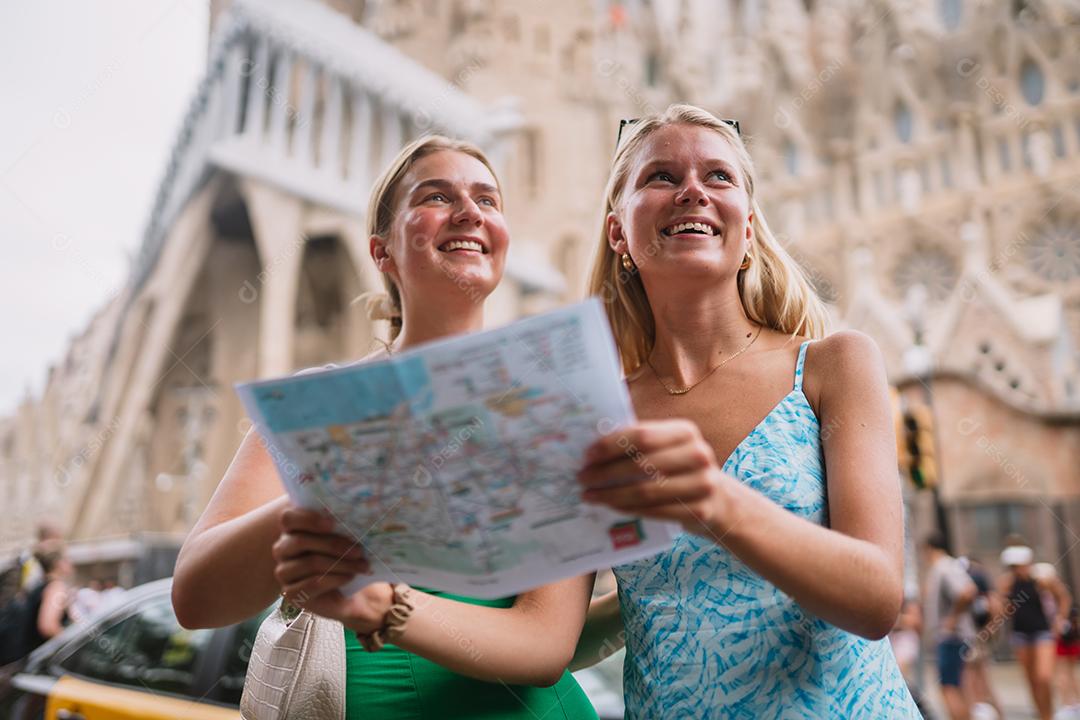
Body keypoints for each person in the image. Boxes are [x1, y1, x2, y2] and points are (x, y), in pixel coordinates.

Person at [172, 135, 597, 719]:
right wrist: (328, 493)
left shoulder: (552, 409)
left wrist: (385, 608)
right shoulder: (315, 408)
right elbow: (195, 598)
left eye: (487, 200)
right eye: (437, 196)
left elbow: (545, 644)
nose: (470, 212)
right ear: (383, 251)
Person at [573, 103, 920, 717]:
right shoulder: (594, 415)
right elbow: (558, 636)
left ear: (748, 227)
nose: (691, 193)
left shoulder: (833, 366)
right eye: (660, 177)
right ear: (618, 233)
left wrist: (714, 499)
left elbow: (876, 598)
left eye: (718, 177)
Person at [997, 543, 1071, 720]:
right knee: (1032, 680)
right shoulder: (1007, 583)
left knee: (1044, 677)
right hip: (1020, 634)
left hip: (1042, 632)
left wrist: (1060, 619)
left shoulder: (1041, 579)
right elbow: (1003, 609)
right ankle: (1041, 714)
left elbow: (1063, 597)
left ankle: (1048, 714)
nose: (1017, 569)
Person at [922, 531, 977, 720]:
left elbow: (968, 592)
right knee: (959, 687)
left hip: (951, 637)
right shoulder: (945, 567)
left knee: (949, 687)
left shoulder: (944, 567)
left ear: (928, 549)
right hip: (954, 637)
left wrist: (952, 619)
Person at [962, 555, 1004, 719]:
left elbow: (996, 607)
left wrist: (987, 632)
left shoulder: (979, 583)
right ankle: (985, 710)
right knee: (979, 677)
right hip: (975, 636)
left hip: (977, 637)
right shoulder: (976, 583)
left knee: (975, 678)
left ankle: (981, 709)